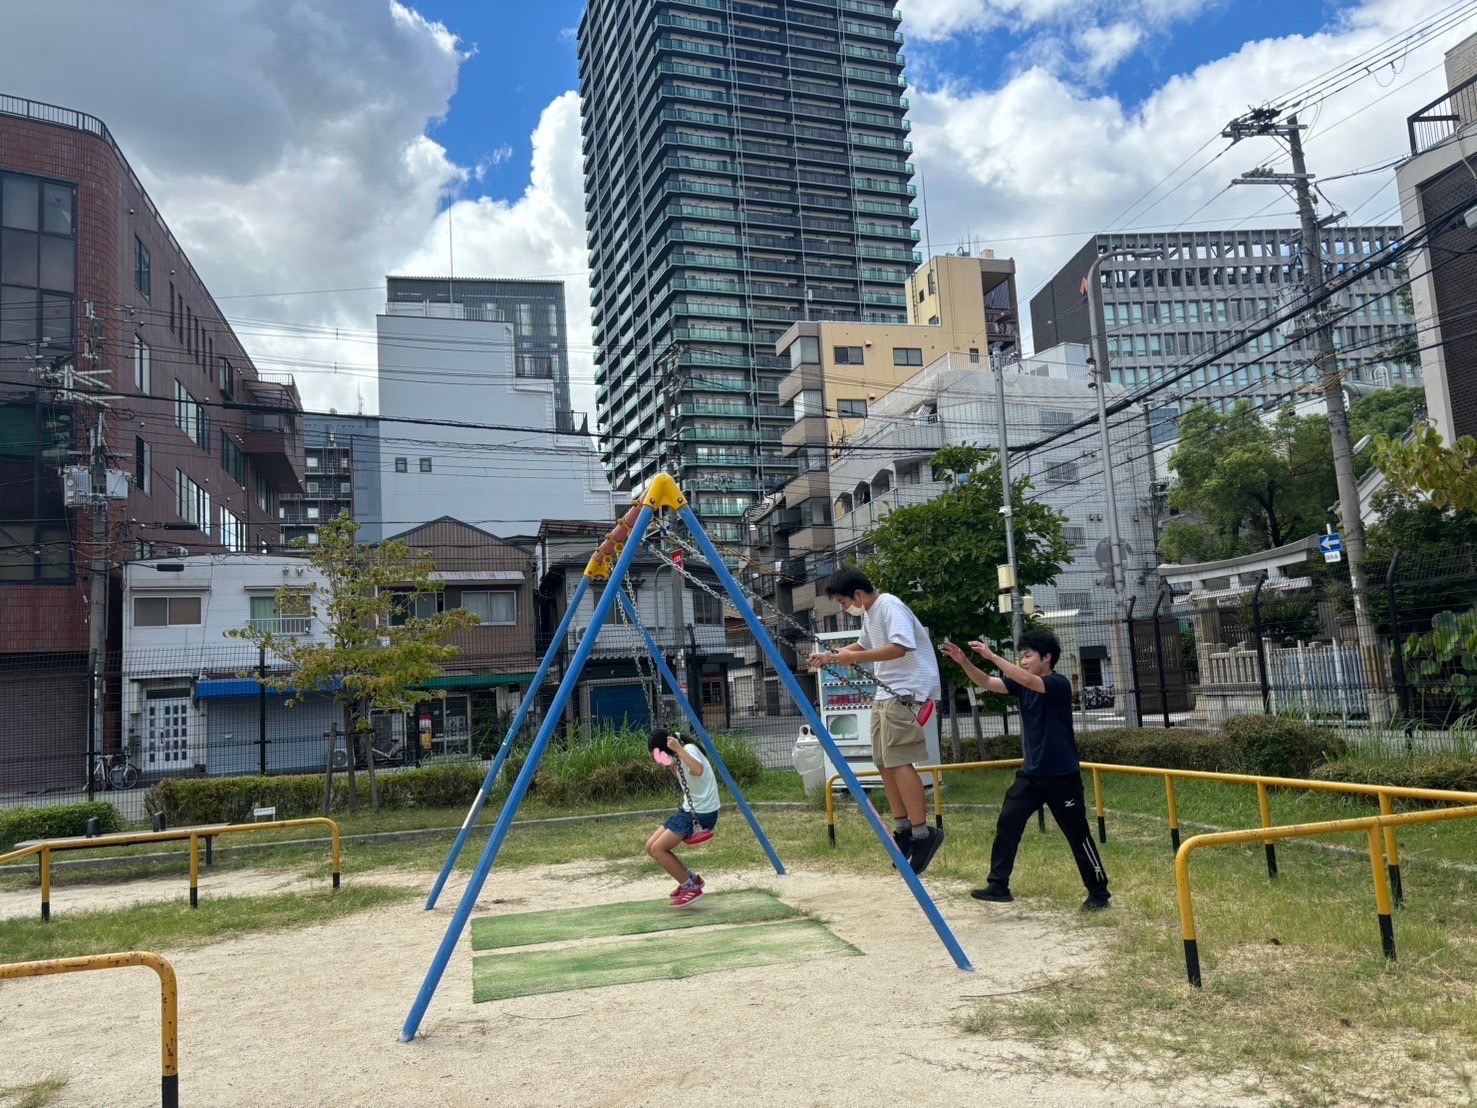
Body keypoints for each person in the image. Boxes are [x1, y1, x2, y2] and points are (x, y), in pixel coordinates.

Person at [940, 630, 1110, 911]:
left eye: (1028, 655)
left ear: (1047, 657)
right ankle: (998, 884)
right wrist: (964, 663)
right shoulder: (1022, 685)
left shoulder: (1058, 684)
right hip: (1031, 775)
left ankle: (1099, 893)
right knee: (1008, 820)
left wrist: (993, 655)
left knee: (1077, 834)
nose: (1023, 661)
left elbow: (1028, 679)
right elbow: (988, 683)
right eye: (1021, 656)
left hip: (1062, 777)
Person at [808, 566, 945, 875]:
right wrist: (831, 656)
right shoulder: (870, 613)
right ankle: (904, 829)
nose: (845, 608)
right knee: (883, 762)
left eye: (844, 602)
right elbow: (863, 645)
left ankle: (924, 833)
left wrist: (852, 658)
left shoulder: (890, 606)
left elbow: (900, 648)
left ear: (857, 594)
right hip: (886, 693)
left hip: (908, 690)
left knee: (899, 762)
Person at [645, 728, 720, 908]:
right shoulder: (678, 754)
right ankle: (692, 879)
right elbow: (684, 776)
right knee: (650, 847)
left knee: (658, 850)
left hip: (701, 813)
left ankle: (690, 888)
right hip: (690, 809)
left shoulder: (689, 750)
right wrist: (667, 760)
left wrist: (678, 749)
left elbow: (698, 770)